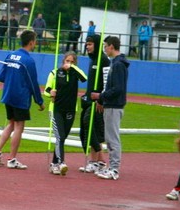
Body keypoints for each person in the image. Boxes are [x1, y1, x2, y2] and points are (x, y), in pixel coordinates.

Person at [0, 29, 46, 170]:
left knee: (11, 123)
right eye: (35, 41)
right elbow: (33, 83)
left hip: (8, 95)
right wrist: (39, 101)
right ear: (31, 42)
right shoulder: (29, 61)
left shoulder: (10, 55)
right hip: (20, 97)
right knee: (19, 127)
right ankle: (12, 159)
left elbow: (1, 77)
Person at [90, 36, 129, 180]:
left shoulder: (118, 65)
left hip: (114, 105)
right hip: (111, 104)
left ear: (111, 46)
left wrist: (100, 96)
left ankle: (114, 169)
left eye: (105, 46)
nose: (104, 49)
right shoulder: (116, 63)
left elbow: (118, 88)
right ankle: (112, 167)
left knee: (112, 138)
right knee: (109, 137)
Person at [45, 51, 87, 175]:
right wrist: (50, 93)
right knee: (60, 136)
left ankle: (54, 163)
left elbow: (84, 78)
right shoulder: (55, 73)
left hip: (70, 110)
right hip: (56, 109)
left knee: (62, 138)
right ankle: (61, 162)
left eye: (72, 62)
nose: (69, 63)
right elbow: (46, 90)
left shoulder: (75, 74)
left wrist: (72, 68)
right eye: (67, 61)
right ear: (63, 61)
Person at [79, 34, 110, 174]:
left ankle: (98, 160)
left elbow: (107, 82)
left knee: (90, 126)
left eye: (90, 44)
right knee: (89, 129)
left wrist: (101, 99)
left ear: (97, 45)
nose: (87, 46)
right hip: (89, 100)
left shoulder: (104, 60)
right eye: (86, 44)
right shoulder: (92, 60)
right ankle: (97, 161)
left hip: (98, 102)